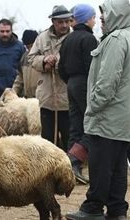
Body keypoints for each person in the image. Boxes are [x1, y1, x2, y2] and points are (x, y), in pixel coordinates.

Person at [65, 0, 130, 219]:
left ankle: (92, 208)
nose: (101, 21)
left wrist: (93, 106)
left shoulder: (116, 39)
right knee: (119, 165)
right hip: (123, 116)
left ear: (117, 15)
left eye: (104, 17)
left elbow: (107, 80)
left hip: (107, 115)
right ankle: (117, 210)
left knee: (101, 163)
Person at [58, 4, 98, 185]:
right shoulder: (89, 39)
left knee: (76, 126)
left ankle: (68, 167)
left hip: (71, 84)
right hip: (85, 84)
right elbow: (93, 68)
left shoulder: (69, 39)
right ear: (87, 19)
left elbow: (61, 68)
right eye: (93, 18)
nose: (95, 21)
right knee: (92, 125)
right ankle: (75, 161)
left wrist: (71, 82)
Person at [27, 5, 72, 151]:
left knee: (68, 137)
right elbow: (31, 58)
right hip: (47, 97)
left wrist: (56, 61)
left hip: (67, 98)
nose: (64, 25)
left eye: (67, 21)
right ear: (53, 21)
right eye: (60, 22)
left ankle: (70, 169)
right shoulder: (42, 37)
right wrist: (44, 60)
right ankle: (49, 170)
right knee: (47, 138)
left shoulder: (73, 37)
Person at [12, 29, 39, 98]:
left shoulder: (44, 57)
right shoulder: (24, 57)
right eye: (27, 47)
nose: (30, 49)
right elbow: (20, 78)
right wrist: (13, 92)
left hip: (41, 99)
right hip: (28, 99)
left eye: (32, 46)